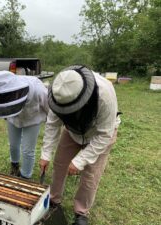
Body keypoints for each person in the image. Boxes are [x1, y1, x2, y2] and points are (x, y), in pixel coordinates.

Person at [39, 65, 121, 225]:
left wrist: (80, 161)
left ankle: (81, 213)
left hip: (100, 133)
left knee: (91, 175)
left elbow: (105, 134)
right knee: (59, 164)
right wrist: (45, 154)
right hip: (72, 131)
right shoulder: (58, 92)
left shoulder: (104, 93)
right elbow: (52, 125)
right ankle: (54, 201)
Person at [0, 71, 49, 179]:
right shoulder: (4, 89)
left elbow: (49, 108)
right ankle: (14, 166)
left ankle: (25, 175)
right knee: (13, 145)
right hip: (14, 119)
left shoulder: (37, 88)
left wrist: (51, 125)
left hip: (33, 119)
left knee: (28, 149)